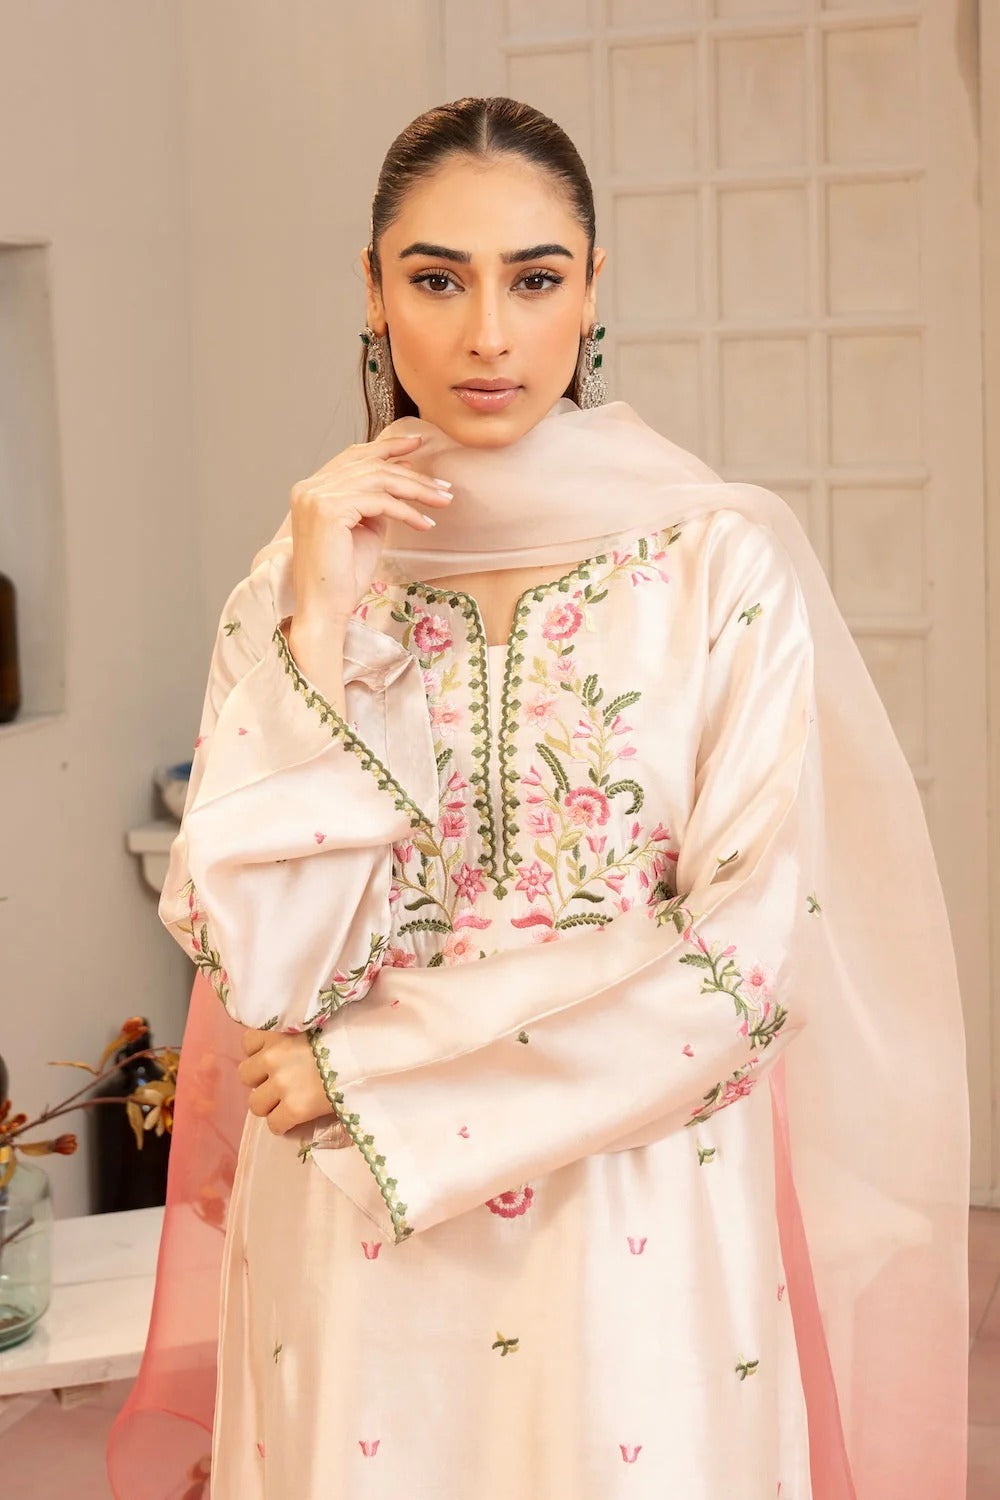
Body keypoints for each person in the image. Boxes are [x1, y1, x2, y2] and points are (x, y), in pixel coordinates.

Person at [107, 97, 969, 1500]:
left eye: (535, 278)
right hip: (356, 1243)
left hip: (630, 1226)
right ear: (374, 293)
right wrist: (319, 633)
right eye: (438, 279)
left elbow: (746, 970)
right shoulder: (298, 579)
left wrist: (369, 1075)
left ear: (593, 288)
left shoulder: (714, 567)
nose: (489, 336)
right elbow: (259, 966)